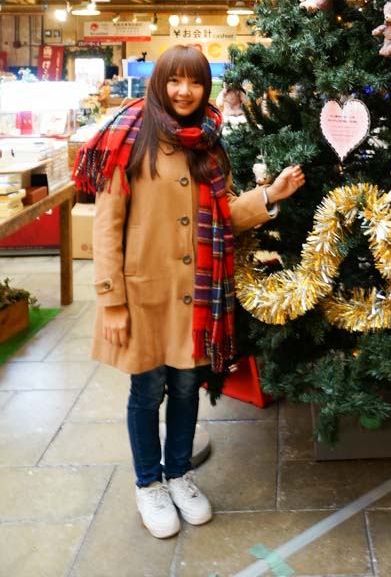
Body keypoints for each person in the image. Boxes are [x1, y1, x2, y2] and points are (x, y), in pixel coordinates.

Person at [72, 45, 304, 539]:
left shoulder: (210, 143)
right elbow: (107, 226)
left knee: (183, 387)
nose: (184, 91)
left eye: (195, 82)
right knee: (147, 389)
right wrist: (111, 299)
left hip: (197, 295)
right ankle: (148, 484)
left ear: (206, 87)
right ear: (160, 83)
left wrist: (269, 196)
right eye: (174, 81)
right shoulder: (130, 136)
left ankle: (178, 475)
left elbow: (223, 217)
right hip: (143, 292)